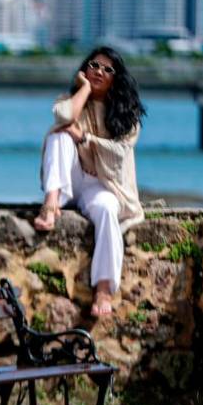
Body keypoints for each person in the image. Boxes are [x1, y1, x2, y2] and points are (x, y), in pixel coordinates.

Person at [32, 47, 147, 316]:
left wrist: (85, 138)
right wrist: (84, 88)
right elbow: (64, 117)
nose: (99, 72)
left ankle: (104, 289)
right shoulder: (69, 100)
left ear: (116, 78)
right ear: (85, 69)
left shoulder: (127, 116)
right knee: (59, 135)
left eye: (108, 69)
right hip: (70, 180)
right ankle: (50, 204)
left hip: (101, 184)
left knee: (107, 210)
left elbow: (119, 152)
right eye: (94, 65)